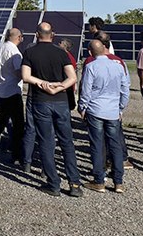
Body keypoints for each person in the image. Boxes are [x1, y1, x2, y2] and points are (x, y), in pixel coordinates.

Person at [21, 22, 83, 197]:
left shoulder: (30, 52)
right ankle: (74, 183)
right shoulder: (61, 53)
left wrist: (42, 84)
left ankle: (54, 183)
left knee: (46, 142)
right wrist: (59, 87)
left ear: (37, 34)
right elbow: (72, 77)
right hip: (61, 102)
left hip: (41, 101)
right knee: (67, 142)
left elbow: (25, 77)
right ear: (52, 35)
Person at [78, 40, 131, 193]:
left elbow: (86, 90)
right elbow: (125, 89)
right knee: (115, 145)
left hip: (95, 110)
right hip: (113, 111)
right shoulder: (118, 66)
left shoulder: (91, 67)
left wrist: (82, 107)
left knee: (97, 144)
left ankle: (99, 180)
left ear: (90, 52)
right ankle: (118, 181)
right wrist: (121, 107)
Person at [0, 28, 25, 164]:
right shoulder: (14, 52)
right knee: (18, 125)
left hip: (0, 90)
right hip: (12, 91)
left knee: (1, 120)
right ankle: (17, 154)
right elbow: (20, 72)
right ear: (19, 37)